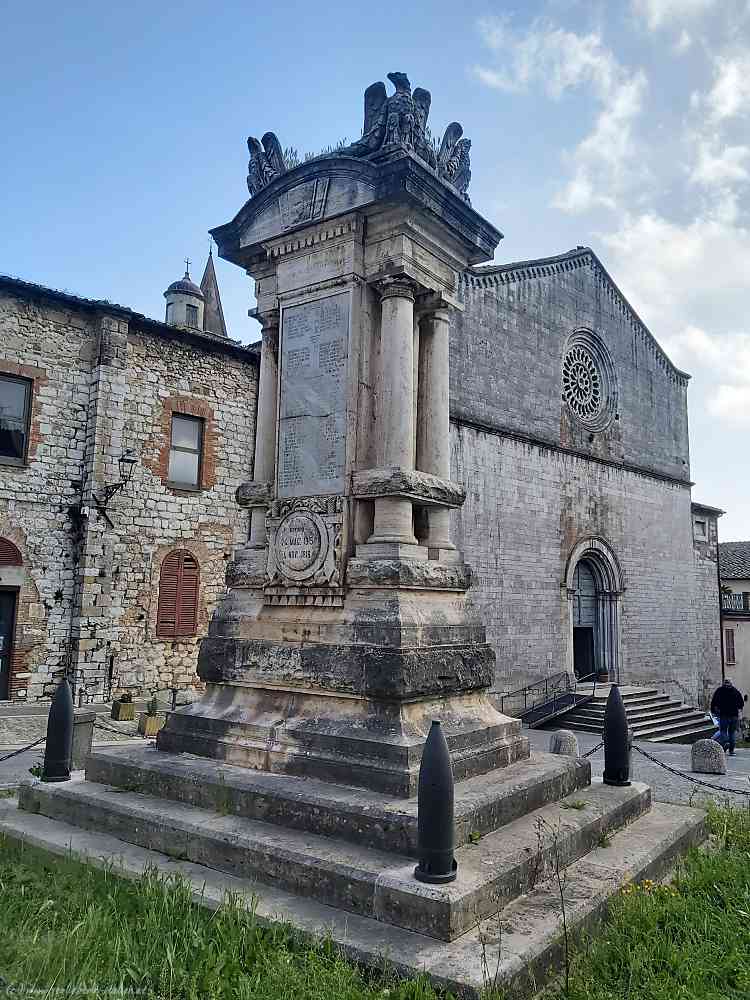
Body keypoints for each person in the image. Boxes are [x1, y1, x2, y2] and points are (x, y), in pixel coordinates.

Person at [710, 678, 745, 756]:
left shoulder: (719, 691)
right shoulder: (735, 691)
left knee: (723, 731)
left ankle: (725, 743)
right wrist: (738, 712)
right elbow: (741, 704)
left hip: (724, 715)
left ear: (724, 683)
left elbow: (714, 702)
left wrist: (714, 711)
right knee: (732, 733)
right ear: (731, 683)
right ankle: (731, 751)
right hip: (734, 716)